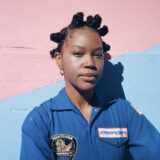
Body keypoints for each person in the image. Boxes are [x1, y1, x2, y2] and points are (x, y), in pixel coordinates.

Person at [20, 12, 160, 160]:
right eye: (78, 53)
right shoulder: (41, 120)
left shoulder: (123, 112)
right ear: (59, 60)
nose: (90, 63)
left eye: (98, 55)